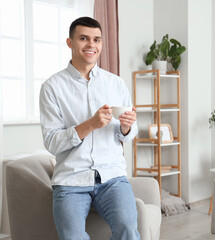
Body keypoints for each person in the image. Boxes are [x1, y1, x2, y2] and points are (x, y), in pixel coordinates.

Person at [39, 16, 140, 240]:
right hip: (71, 179)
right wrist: (89, 125)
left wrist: (126, 128)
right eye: (83, 38)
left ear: (102, 44)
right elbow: (52, 142)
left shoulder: (116, 83)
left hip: (112, 176)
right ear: (70, 42)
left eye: (96, 40)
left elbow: (130, 134)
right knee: (72, 237)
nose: (91, 45)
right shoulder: (52, 88)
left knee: (128, 230)